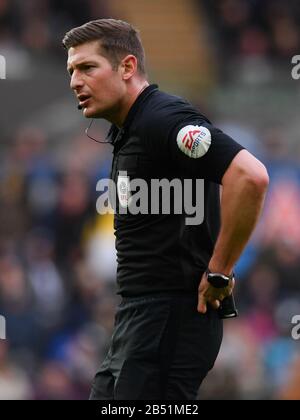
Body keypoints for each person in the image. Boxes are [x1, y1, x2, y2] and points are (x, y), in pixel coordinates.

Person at [62, 19, 269, 400]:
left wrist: (220, 272)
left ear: (127, 67)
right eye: (72, 70)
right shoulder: (130, 129)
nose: (75, 81)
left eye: (88, 68)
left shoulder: (163, 119)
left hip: (170, 318)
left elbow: (250, 176)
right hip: (139, 320)